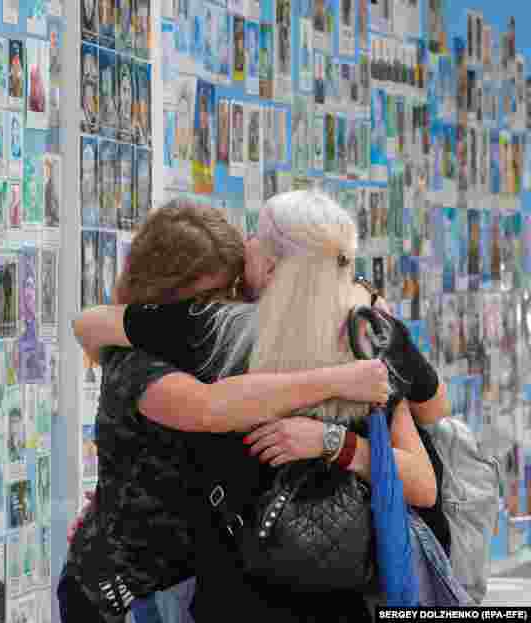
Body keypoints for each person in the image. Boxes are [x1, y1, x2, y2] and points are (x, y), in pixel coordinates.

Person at [66, 196, 445, 621]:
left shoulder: (208, 329)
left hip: (254, 592)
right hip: (316, 589)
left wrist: (331, 441)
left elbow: (90, 325)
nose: (245, 242)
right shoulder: (370, 341)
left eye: (255, 237)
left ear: (268, 266)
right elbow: (431, 418)